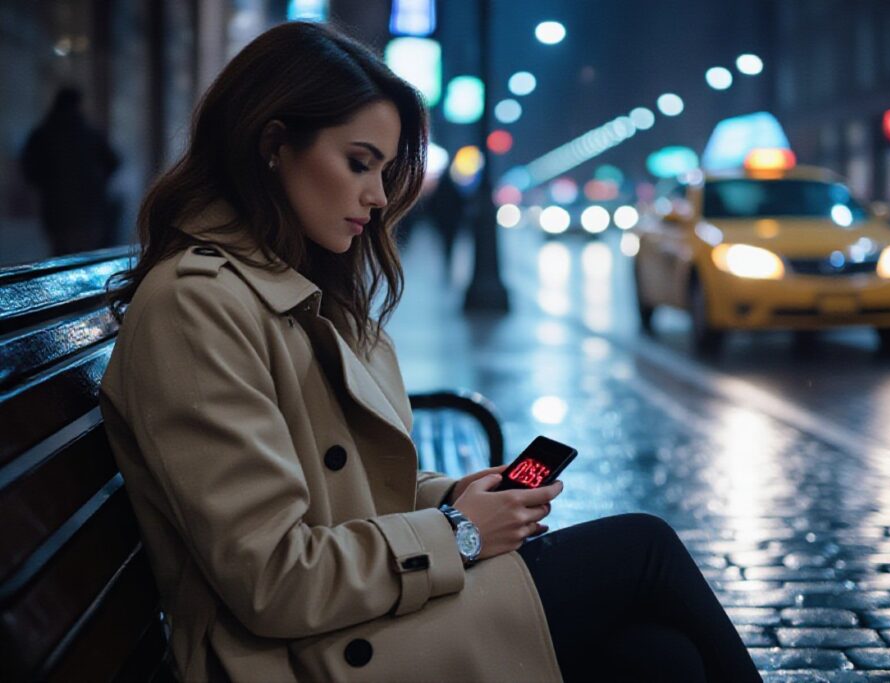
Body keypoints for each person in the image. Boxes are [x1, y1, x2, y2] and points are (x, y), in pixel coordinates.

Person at [101, 22, 760, 683]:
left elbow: (337, 495)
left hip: (339, 626)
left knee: (656, 657)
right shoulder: (197, 305)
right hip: (290, 658)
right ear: (274, 144)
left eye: (385, 171)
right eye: (359, 162)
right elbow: (272, 578)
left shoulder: (291, 287)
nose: (378, 197)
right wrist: (460, 533)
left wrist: (453, 498)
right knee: (643, 549)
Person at [20, 86, 120, 255]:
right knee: (85, 254)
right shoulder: (89, 134)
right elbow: (114, 161)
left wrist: (45, 184)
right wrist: (98, 182)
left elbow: (29, 167)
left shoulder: (43, 134)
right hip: (87, 204)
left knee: (61, 253)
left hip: (56, 205)